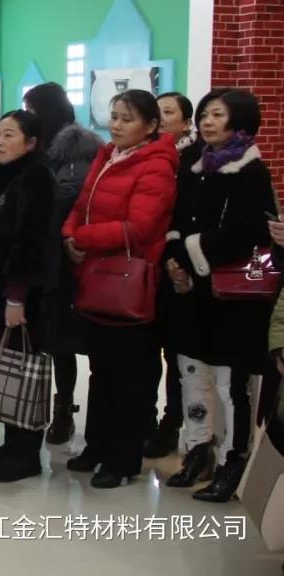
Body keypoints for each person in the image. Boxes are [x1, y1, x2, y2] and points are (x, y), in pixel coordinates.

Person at [162, 89, 276, 502]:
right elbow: (177, 219)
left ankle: (233, 459)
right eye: (204, 115)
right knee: (193, 374)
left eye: (217, 115)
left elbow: (248, 232)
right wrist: (174, 258)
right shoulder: (193, 166)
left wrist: (190, 255)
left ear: (240, 121)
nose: (207, 122)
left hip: (232, 296)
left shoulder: (251, 171)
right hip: (191, 290)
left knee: (231, 382)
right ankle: (198, 449)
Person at [62, 89, 178, 488]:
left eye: (127, 119)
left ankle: (123, 459)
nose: (116, 125)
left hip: (130, 283)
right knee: (101, 371)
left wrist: (83, 238)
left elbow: (139, 227)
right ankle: (96, 446)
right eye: (114, 116)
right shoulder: (107, 154)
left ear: (151, 125)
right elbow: (81, 205)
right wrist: (69, 236)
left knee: (131, 377)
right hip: (96, 277)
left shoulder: (157, 165)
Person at [0, 110, 58, 482]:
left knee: (23, 368)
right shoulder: (4, 175)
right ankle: (11, 444)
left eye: (10, 135)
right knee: (9, 367)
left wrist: (16, 297)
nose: (0, 141)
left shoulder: (36, 178)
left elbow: (30, 242)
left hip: (22, 296)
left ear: (32, 143)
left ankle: (27, 454)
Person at [23, 82, 103, 446]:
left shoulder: (74, 153)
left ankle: (64, 410)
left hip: (67, 264)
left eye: (31, 111)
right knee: (53, 340)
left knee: (64, 342)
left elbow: (66, 204)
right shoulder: (44, 150)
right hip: (46, 259)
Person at [145, 90, 203, 458]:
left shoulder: (195, 161)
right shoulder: (143, 155)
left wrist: (175, 256)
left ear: (185, 123)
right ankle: (146, 420)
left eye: (168, 112)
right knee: (147, 351)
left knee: (177, 355)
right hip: (147, 268)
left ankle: (173, 422)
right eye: (156, 111)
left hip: (181, 268)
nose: (161, 117)